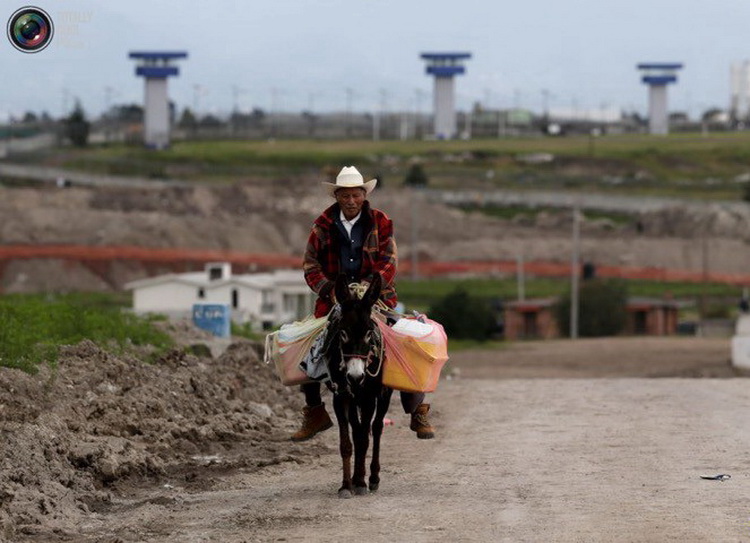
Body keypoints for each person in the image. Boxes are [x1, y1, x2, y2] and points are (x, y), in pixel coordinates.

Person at [291, 165, 435, 441]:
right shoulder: (321, 226)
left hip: (376, 299)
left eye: (356, 195)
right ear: (337, 197)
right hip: (335, 300)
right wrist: (331, 291)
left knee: (405, 342)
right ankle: (315, 411)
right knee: (306, 346)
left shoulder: (381, 222)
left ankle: (417, 410)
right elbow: (311, 265)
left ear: (363, 195)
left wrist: (371, 286)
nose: (351, 201)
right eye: (345, 196)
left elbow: (389, 261)